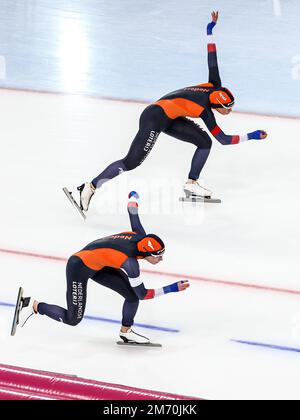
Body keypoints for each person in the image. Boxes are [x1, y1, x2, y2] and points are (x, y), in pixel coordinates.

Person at [76, 11, 268, 213]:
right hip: (154, 117)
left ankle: (191, 184)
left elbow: (212, 58)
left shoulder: (214, 85)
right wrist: (252, 136)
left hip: (171, 117)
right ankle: (89, 187)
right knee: (131, 161)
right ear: (218, 106)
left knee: (204, 142)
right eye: (227, 109)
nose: (229, 112)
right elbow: (225, 139)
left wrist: (209, 30)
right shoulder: (205, 111)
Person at [18, 192, 190, 344]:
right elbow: (143, 294)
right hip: (78, 266)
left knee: (131, 297)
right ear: (146, 252)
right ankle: (32, 305)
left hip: (100, 262)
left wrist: (133, 196)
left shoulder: (140, 236)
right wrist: (172, 288)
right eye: (158, 255)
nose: (161, 259)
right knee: (73, 319)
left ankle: (126, 332)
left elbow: (132, 210)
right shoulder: (130, 264)